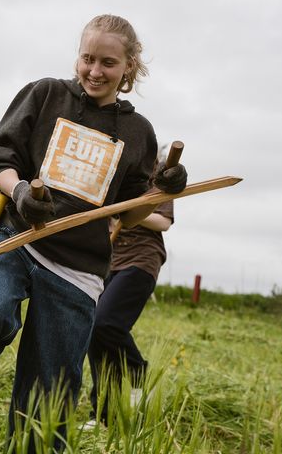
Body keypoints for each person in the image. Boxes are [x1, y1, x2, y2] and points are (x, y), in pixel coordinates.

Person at [0, 14, 188, 447]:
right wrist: (20, 191)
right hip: (18, 240)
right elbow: (2, 160)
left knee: (51, 392)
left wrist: (157, 192)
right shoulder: (46, 95)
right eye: (87, 58)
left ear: (129, 66)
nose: (95, 71)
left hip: (78, 268)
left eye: (108, 63)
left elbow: (127, 215)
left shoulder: (138, 132)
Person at [87, 166, 174, 425]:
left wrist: (128, 211)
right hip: (109, 260)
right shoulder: (110, 181)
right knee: (95, 333)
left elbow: (163, 222)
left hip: (141, 260)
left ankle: (138, 372)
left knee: (106, 322)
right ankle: (104, 415)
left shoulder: (159, 181)